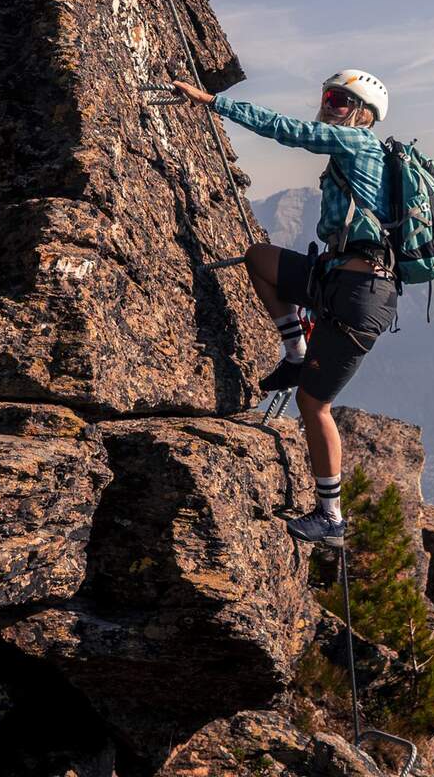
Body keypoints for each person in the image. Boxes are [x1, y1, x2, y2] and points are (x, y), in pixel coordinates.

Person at [170, 69, 397, 545]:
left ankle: (331, 517)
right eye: (327, 97)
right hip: (339, 280)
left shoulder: (359, 144)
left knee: (314, 405)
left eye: (338, 99)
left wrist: (213, 101)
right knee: (260, 258)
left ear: (363, 114)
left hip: (360, 296)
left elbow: (290, 132)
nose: (328, 104)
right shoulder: (353, 150)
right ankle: (295, 352)